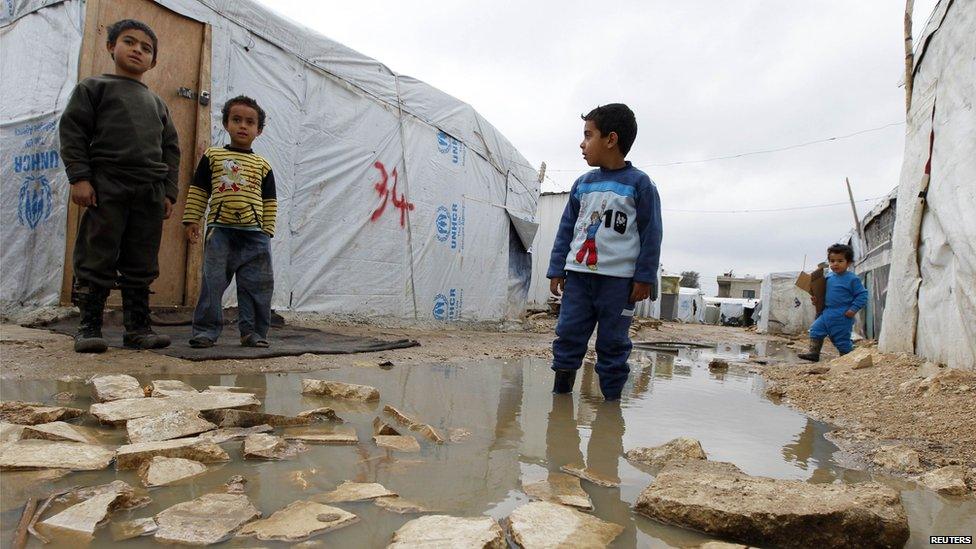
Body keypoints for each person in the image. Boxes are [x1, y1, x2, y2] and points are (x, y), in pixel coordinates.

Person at [59, 19, 179, 353]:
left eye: (146, 48)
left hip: (150, 190)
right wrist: (80, 177)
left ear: (153, 61)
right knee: (97, 252)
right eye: (130, 42)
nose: (138, 50)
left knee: (142, 259)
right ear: (111, 46)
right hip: (107, 182)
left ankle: (138, 329)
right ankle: (89, 327)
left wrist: (169, 191)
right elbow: (74, 132)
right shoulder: (93, 88)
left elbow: (171, 149)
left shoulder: (158, 104)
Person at [547, 103, 663, 401]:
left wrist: (645, 277)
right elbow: (566, 229)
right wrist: (557, 268)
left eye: (588, 136)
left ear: (611, 140)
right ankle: (560, 399)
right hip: (579, 278)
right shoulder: (582, 185)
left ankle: (612, 408)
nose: (582, 144)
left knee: (613, 344)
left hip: (619, 284)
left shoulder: (640, 185)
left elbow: (652, 234)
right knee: (568, 336)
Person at [183, 95, 277, 348]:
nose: (243, 126)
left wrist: (266, 230)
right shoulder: (213, 157)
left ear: (259, 130)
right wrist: (192, 219)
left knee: (257, 285)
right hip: (220, 232)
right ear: (226, 124)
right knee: (212, 283)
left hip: (254, 235)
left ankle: (253, 333)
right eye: (236, 120)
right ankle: (205, 331)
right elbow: (199, 190)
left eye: (250, 122)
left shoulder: (263, 165)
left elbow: (269, 201)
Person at [798, 244, 868, 361]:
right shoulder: (829, 277)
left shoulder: (852, 279)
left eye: (840, 261)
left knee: (841, 340)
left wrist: (853, 309)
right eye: (832, 261)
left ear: (848, 263)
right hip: (827, 312)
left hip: (842, 315)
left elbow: (862, 294)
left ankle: (847, 359)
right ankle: (814, 353)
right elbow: (822, 294)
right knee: (815, 330)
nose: (835, 264)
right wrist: (817, 300)